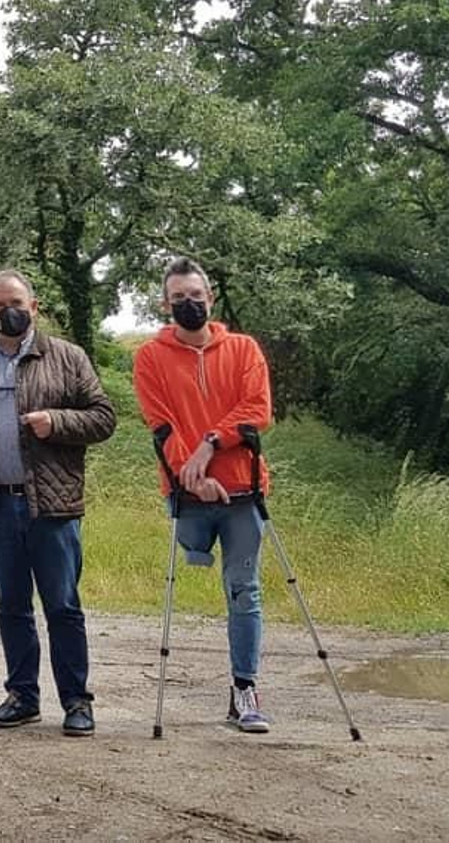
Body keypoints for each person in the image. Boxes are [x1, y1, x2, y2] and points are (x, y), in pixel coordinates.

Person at [0, 269, 116, 736]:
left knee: (62, 605)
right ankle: (22, 695)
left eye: (16, 302)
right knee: (11, 605)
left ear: (34, 306)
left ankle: (77, 701)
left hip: (53, 507)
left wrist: (56, 422)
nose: (8, 312)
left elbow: (103, 418)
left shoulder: (67, 357)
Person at [132, 256, 275, 733]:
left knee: (243, 591)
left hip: (241, 488)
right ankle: (198, 548)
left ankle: (245, 688)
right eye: (178, 299)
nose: (188, 304)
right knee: (193, 557)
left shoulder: (244, 349)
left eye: (196, 296)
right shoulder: (151, 357)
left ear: (210, 298)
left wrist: (210, 444)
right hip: (187, 495)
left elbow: (256, 409)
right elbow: (160, 425)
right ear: (165, 303)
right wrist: (192, 473)